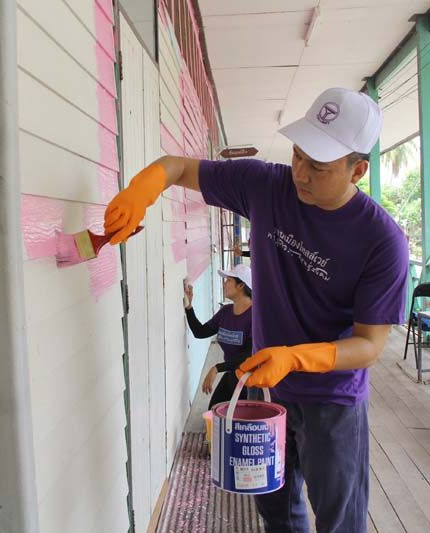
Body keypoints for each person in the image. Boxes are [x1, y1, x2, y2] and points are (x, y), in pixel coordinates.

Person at [103, 87, 409, 533]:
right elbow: (177, 167)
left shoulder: (382, 241)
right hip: (267, 387)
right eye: (298, 155)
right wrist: (141, 189)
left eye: (318, 167)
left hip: (332, 399)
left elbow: (369, 345)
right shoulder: (266, 185)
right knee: (274, 509)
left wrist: (295, 357)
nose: (301, 174)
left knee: (339, 519)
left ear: (357, 170)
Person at [183, 264, 253, 408]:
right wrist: (189, 306)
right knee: (214, 410)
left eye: (228, 280)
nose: (224, 284)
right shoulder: (225, 312)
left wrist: (217, 368)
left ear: (241, 285)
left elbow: (249, 355)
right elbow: (200, 332)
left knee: (236, 415)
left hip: (251, 379)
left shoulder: (255, 315)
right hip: (233, 373)